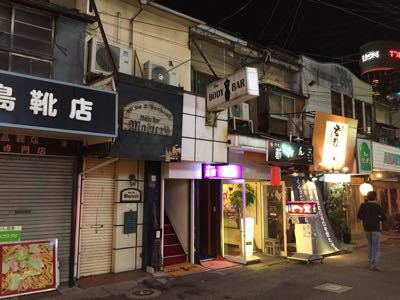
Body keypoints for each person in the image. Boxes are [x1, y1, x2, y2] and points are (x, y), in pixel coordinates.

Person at [357, 191, 386, 271]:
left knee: (370, 245)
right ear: (375, 197)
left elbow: (359, 216)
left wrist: (366, 218)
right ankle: (373, 265)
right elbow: (384, 217)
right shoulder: (377, 206)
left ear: (367, 197)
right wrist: (378, 218)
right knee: (375, 248)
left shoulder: (363, 205)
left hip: (367, 228)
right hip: (375, 229)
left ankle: (370, 261)